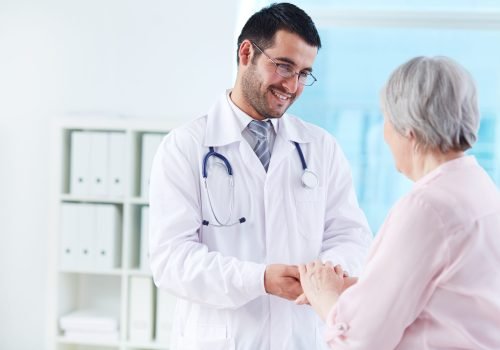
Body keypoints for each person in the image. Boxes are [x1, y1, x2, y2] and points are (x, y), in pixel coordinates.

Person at [149, 3, 372, 350]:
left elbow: (351, 235)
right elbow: (171, 261)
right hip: (223, 339)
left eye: (304, 73)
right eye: (284, 66)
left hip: (301, 338)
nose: (293, 85)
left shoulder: (320, 147)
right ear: (246, 53)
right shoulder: (185, 147)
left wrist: (324, 275)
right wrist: (259, 280)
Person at [298, 56, 500, 349]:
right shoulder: (479, 187)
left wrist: (323, 294)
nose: (384, 133)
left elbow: (359, 339)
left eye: (386, 119)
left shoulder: (427, 208)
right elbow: (450, 295)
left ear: (409, 131)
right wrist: (359, 289)